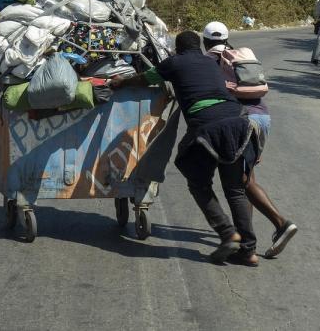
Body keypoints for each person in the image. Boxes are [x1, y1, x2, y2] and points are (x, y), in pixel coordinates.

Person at [111, 30, 259, 266]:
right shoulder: (211, 63)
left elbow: (145, 78)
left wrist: (120, 83)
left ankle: (227, 232)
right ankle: (248, 251)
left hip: (207, 126)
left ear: (178, 49)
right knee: (235, 190)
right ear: (199, 46)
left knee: (198, 182)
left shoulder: (174, 62)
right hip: (239, 122)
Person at [202, 21, 298, 259]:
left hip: (242, 123)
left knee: (239, 185)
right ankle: (248, 241)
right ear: (227, 37)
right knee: (246, 179)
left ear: (205, 41)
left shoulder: (210, 62)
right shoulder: (238, 56)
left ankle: (280, 224)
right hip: (262, 117)